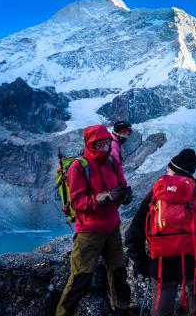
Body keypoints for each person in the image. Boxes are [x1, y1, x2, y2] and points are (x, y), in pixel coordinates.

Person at [125, 149, 196, 316]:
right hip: (192, 263)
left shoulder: (156, 195)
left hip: (162, 264)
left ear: (173, 169)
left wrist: (142, 263)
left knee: (161, 309)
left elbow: (135, 231)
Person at [56, 124, 133, 316]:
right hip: (89, 232)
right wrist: (105, 197)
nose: (106, 148)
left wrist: (124, 195)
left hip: (112, 228)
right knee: (81, 279)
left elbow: (122, 185)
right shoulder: (78, 167)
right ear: (91, 145)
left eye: (107, 143)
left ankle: (122, 312)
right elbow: (78, 202)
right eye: (101, 145)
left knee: (119, 275)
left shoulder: (113, 163)